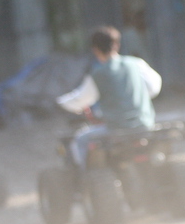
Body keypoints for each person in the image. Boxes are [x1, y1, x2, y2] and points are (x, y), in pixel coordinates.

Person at [56, 26, 162, 166]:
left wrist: (60, 102)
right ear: (117, 45)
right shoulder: (137, 64)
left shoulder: (98, 74)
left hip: (116, 129)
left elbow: (80, 100)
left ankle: (83, 175)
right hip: (145, 125)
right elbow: (154, 88)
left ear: (95, 50)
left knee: (81, 139)